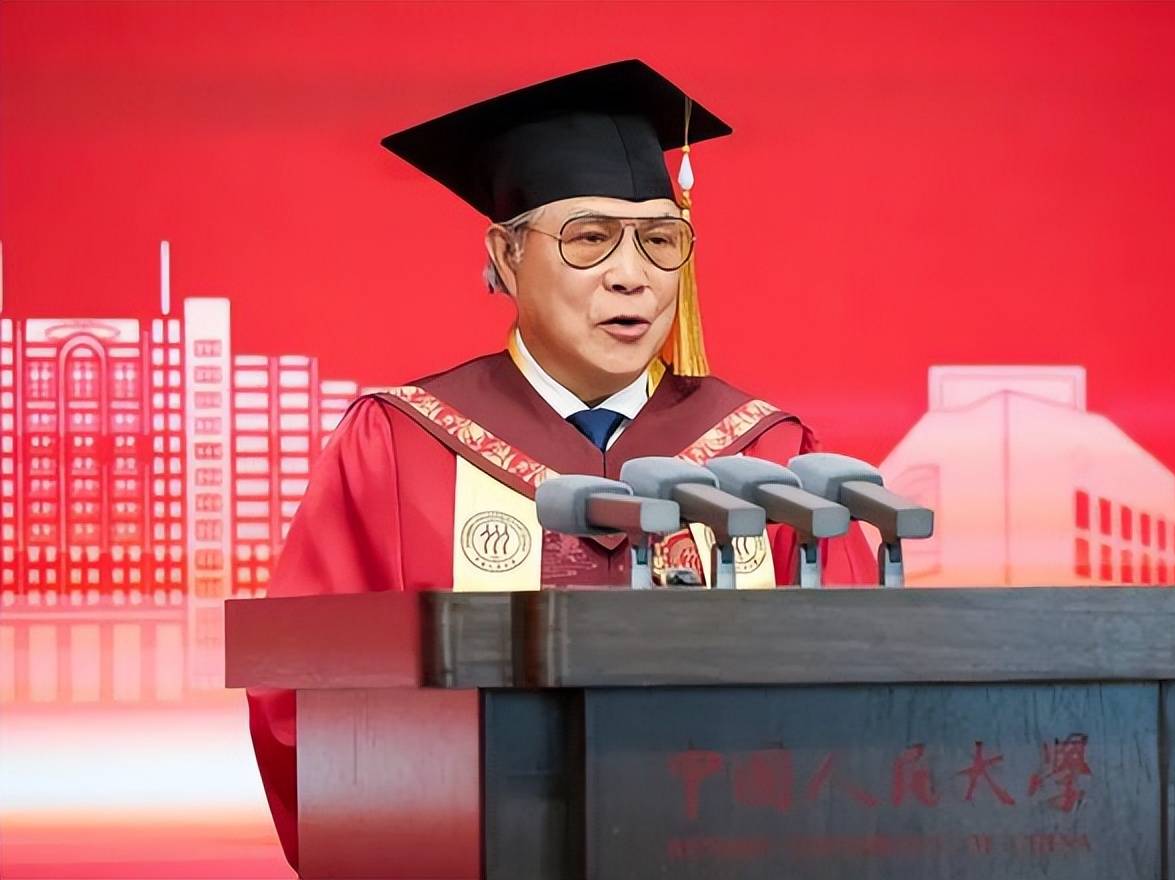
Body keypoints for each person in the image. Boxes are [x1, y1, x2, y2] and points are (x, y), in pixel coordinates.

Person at [246, 59, 877, 872]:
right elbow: (304, 704)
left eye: (660, 241)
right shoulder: (397, 447)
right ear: (506, 257)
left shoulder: (768, 456)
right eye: (588, 239)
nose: (632, 275)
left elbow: (864, 696)